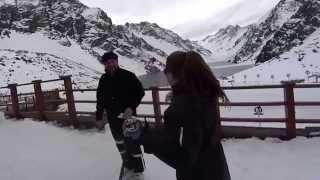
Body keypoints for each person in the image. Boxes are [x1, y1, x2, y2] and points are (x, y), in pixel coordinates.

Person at [123, 51, 231, 180]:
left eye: (166, 69)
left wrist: (142, 135)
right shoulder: (207, 95)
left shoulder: (179, 109)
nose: (164, 73)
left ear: (174, 74)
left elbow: (182, 158)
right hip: (217, 169)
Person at [95, 51, 146, 179]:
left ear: (117, 61)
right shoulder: (103, 80)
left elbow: (140, 92)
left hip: (129, 120)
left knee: (133, 145)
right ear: (104, 65)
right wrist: (99, 117)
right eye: (107, 62)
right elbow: (100, 100)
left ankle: (139, 171)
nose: (110, 64)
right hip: (113, 120)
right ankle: (128, 166)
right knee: (121, 145)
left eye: (112, 61)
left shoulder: (128, 76)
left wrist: (131, 107)